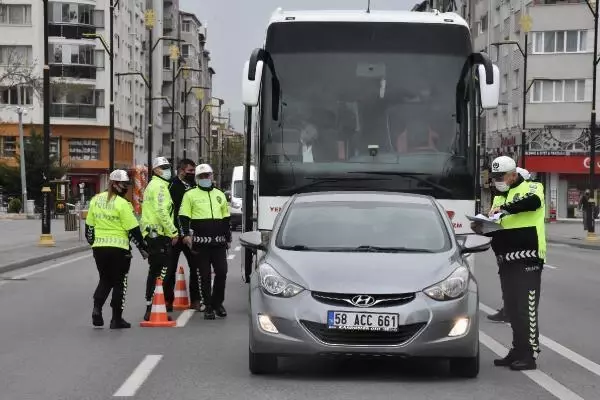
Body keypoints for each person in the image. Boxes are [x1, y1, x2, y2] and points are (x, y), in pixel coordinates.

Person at [478, 155, 546, 371]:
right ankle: (517, 349)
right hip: (505, 259)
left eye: (501, 176)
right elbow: (496, 223)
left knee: (526, 309)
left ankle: (529, 354)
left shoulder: (533, 187)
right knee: (512, 309)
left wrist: (506, 209)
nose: (498, 180)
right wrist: (482, 226)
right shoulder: (499, 197)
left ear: (514, 174)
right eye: (495, 176)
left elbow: (531, 203)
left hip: (527, 257)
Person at [85, 170, 148, 329]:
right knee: (120, 282)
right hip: (119, 249)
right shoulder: (123, 204)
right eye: (124, 185)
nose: (126, 188)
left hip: (99, 249)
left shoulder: (95, 200)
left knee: (105, 279)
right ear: (114, 184)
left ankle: (97, 309)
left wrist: (94, 243)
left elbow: (89, 228)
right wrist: (143, 247)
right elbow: (133, 229)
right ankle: (116, 319)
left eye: (127, 185)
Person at [179, 163, 232, 320]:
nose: (205, 178)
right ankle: (208, 305)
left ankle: (218, 303)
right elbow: (183, 217)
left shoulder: (220, 194)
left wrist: (228, 237)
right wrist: (185, 235)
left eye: (207, 175)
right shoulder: (190, 195)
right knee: (204, 275)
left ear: (212, 176)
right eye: (201, 176)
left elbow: (226, 218)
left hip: (219, 243)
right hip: (200, 243)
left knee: (222, 272)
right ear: (196, 178)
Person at [487, 166, 534, 323]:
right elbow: (495, 221)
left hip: (521, 247)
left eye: (504, 178)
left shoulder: (526, 194)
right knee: (507, 280)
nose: (501, 181)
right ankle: (508, 310)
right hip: (503, 246)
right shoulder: (500, 197)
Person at [140, 156, 179, 321]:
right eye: (163, 167)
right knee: (162, 271)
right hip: (158, 234)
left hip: (150, 233)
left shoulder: (152, 185)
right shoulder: (160, 187)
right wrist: (173, 232)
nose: (167, 170)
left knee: (154, 271)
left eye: (168, 166)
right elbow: (162, 212)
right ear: (155, 170)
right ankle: (153, 308)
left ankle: (151, 307)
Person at [166, 158, 203, 311]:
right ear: (181, 171)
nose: (192, 174)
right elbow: (169, 211)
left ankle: (195, 300)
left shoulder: (195, 186)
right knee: (170, 268)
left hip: (190, 234)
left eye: (194, 171)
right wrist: (172, 232)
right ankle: (167, 300)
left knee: (196, 267)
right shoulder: (172, 186)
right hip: (174, 235)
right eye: (190, 171)